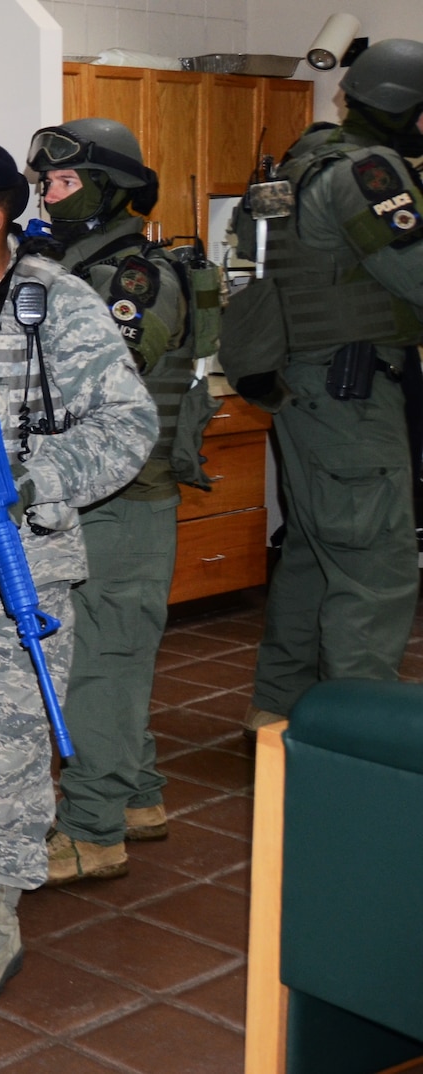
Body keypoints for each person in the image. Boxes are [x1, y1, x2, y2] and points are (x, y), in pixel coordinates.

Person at [0, 141, 154, 1007]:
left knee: (15, 748)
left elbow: (128, 425)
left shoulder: (56, 305)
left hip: (20, 568)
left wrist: (34, 480)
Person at [25, 117, 210, 885]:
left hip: (126, 500)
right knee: (107, 659)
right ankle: (137, 795)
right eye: (44, 184)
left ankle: (93, 831)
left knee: (102, 663)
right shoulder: (63, 267)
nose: (48, 196)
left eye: (63, 183)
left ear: (112, 189)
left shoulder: (139, 277)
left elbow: (96, 379)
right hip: (84, 494)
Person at [225, 39, 423, 735]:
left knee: (313, 556)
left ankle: (278, 715)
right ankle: (358, 750)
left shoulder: (303, 164)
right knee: (375, 569)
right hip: (352, 394)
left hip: (306, 391)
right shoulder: (370, 172)